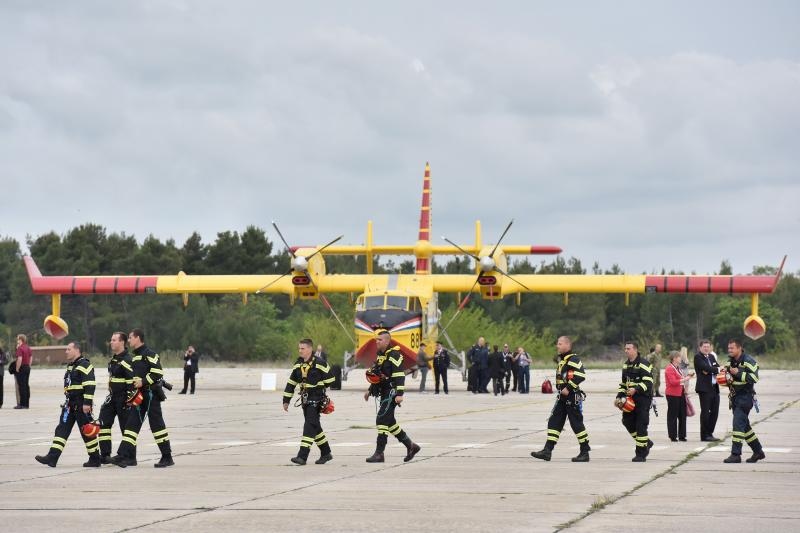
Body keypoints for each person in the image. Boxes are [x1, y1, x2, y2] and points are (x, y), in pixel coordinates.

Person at [110, 328, 174, 468]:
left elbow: (157, 373)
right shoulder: (135, 356)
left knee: (157, 426)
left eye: (131, 338)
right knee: (131, 426)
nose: (129, 340)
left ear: (138, 338)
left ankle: (167, 457)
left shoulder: (149, 354)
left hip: (151, 396)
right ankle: (122, 455)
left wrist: (143, 382)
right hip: (139, 396)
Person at [35, 342, 101, 467]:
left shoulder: (85, 365)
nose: (66, 351)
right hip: (70, 405)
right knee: (61, 430)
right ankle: (52, 458)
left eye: (68, 349)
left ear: (77, 350)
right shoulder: (71, 366)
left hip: (81, 405)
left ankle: (95, 459)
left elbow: (90, 385)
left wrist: (87, 403)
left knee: (87, 432)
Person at [363, 330, 420, 463]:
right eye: (376, 340)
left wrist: (399, 394)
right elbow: (377, 375)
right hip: (383, 392)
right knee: (390, 423)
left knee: (381, 420)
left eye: (380, 340)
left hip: (391, 392)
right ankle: (411, 446)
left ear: (387, 341)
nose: (377, 342)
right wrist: (369, 390)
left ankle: (379, 453)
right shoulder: (380, 356)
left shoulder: (394, 355)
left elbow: (399, 375)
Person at [531, 336, 590, 462]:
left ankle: (585, 452)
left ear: (568, 345)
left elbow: (581, 375)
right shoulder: (563, 360)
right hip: (562, 397)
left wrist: (568, 388)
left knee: (576, 424)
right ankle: (547, 451)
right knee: (554, 421)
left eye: (560, 343)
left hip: (571, 396)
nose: (557, 346)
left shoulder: (573, 359)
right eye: (557, 343)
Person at [282, 338, 335, 465]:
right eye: (299, 348)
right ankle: (326, 453)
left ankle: (302, 456)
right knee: (315, 427)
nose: (300, 351)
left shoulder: (320, 363)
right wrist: (286, 400)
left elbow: (331, 379)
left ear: (310, 349)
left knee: (309, 426)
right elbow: (291, 383)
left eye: (302, 348)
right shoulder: (298, 364)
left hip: (316, 399)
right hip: (305, 399)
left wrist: (318, 386)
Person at [723, 339, 765, 463]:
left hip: (745, 397)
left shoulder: (749, 361)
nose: (729, 350)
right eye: (729, 348)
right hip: (735, 398)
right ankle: (758, 452)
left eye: (732, 348)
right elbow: (727, 376)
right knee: (745, 427)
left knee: (737, 425)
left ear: (739, 348)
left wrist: (738, 373)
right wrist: (724, 377)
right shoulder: (729, 361)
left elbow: (754, 378)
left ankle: (736, 454)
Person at [98, 332, 134, 463]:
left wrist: (130, 400)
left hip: (124, 398)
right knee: (103, 423)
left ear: (122, 342)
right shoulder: (114, 359)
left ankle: (130, 458)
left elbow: (132, 382)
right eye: (111, 340)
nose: (111, 342)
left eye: (114, 340)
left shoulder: (128, 360)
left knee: (126, 427)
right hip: (112, 397)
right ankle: (105, 455)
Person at [616, 341, 654, 462]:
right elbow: (623, 383)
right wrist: (619, 397)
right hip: (629, 400)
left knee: (641, 425)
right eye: (625, 349)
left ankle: (641, 454)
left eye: (628, 348)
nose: (626, 350)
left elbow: (648, 382)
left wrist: (636, 389)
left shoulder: (644, 364)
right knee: (626, 421)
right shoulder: (626, 365)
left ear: (635, 350)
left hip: (643, 399)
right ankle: (646, 442)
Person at [694, 339, 721, 442]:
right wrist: (713, 369)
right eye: (704, 347)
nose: (706, 348)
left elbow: (714, 367)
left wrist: (711, 370)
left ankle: (710, 433)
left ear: (710, 347)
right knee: (705, 412)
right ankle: (704, 435)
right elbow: (706, 368)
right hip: (704, 389)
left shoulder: (711, 356)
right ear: (700, 348)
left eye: (708, 346)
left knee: (715, 412)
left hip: (714, 388)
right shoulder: (698, 357)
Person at [665, 350, 693, 442]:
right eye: (679, 357)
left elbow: (680, 379)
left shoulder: (678, 368)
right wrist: (685, 379)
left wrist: (686, 379)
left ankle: (682, 435)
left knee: (682, 414)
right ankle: (672, 435)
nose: (681, 358)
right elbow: (673, 382)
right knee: (673, 415)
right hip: (672, 394)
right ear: (674, 358)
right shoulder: (669, 368)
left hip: (680, 393)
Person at [15, 333, 32, 409]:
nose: (17, 340)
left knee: (21, 386)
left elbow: (19, 359)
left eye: (18, 338)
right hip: (27, 367)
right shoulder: (28, 347)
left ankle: (22, 404)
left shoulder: (20, 348)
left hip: (22, 368)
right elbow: (31, 357)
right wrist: (29, 365)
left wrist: (17, 368)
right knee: (26, 385)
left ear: (20, 339)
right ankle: (26, 404)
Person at [0, 344, 6, 409]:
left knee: (0, 388)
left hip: (0, 373)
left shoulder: (2, 353)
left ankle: (0, 403)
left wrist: (1, 361)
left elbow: (6, 361)